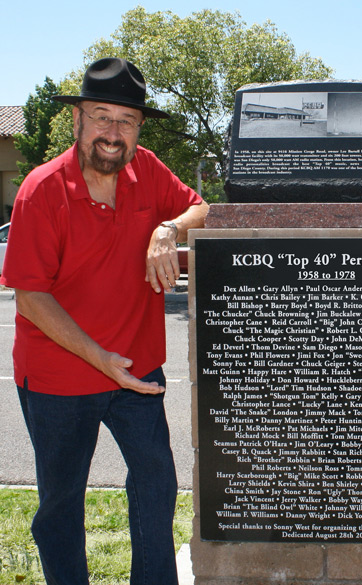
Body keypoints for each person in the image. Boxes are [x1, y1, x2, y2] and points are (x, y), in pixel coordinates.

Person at [0, 58, 210, 585]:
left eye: (126, 120)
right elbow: (30, 297)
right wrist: (100, 359)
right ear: (77, 120)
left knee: (157, 484)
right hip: (57, 376)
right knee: (62, 501)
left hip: (137, 374)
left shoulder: (149, 171)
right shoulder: (40, 190)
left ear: (139, 129)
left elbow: (201, 208)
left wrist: (167, 226)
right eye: (101, 116)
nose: (113, 132)